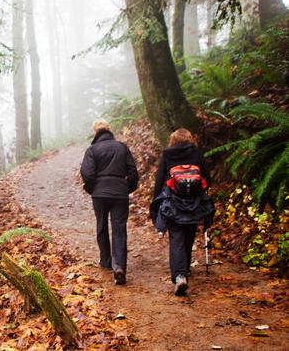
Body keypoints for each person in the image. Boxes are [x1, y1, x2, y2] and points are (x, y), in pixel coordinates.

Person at [150, 128, 214, 296]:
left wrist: (156, 201)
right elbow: (208, 178)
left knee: (176, 237)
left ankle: (180, 276)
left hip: (174, 203)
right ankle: (184, 270)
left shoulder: (168, 155)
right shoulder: (197, 154)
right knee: (189, 234)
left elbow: (159, 180)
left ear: (173, 140)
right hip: (194, 202)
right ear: (190, 139)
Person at [80, 120, 139, 285]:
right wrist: (127, 188)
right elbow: (133, 172)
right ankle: (119, 266)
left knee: (101, 225)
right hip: (120, 193)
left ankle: (105, 261)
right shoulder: (122, 147)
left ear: (95, 132)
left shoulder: (92, 150)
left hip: (99, 194)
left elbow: (87, 173)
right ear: (109, 130)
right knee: (119, 229)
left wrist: (93, 189)